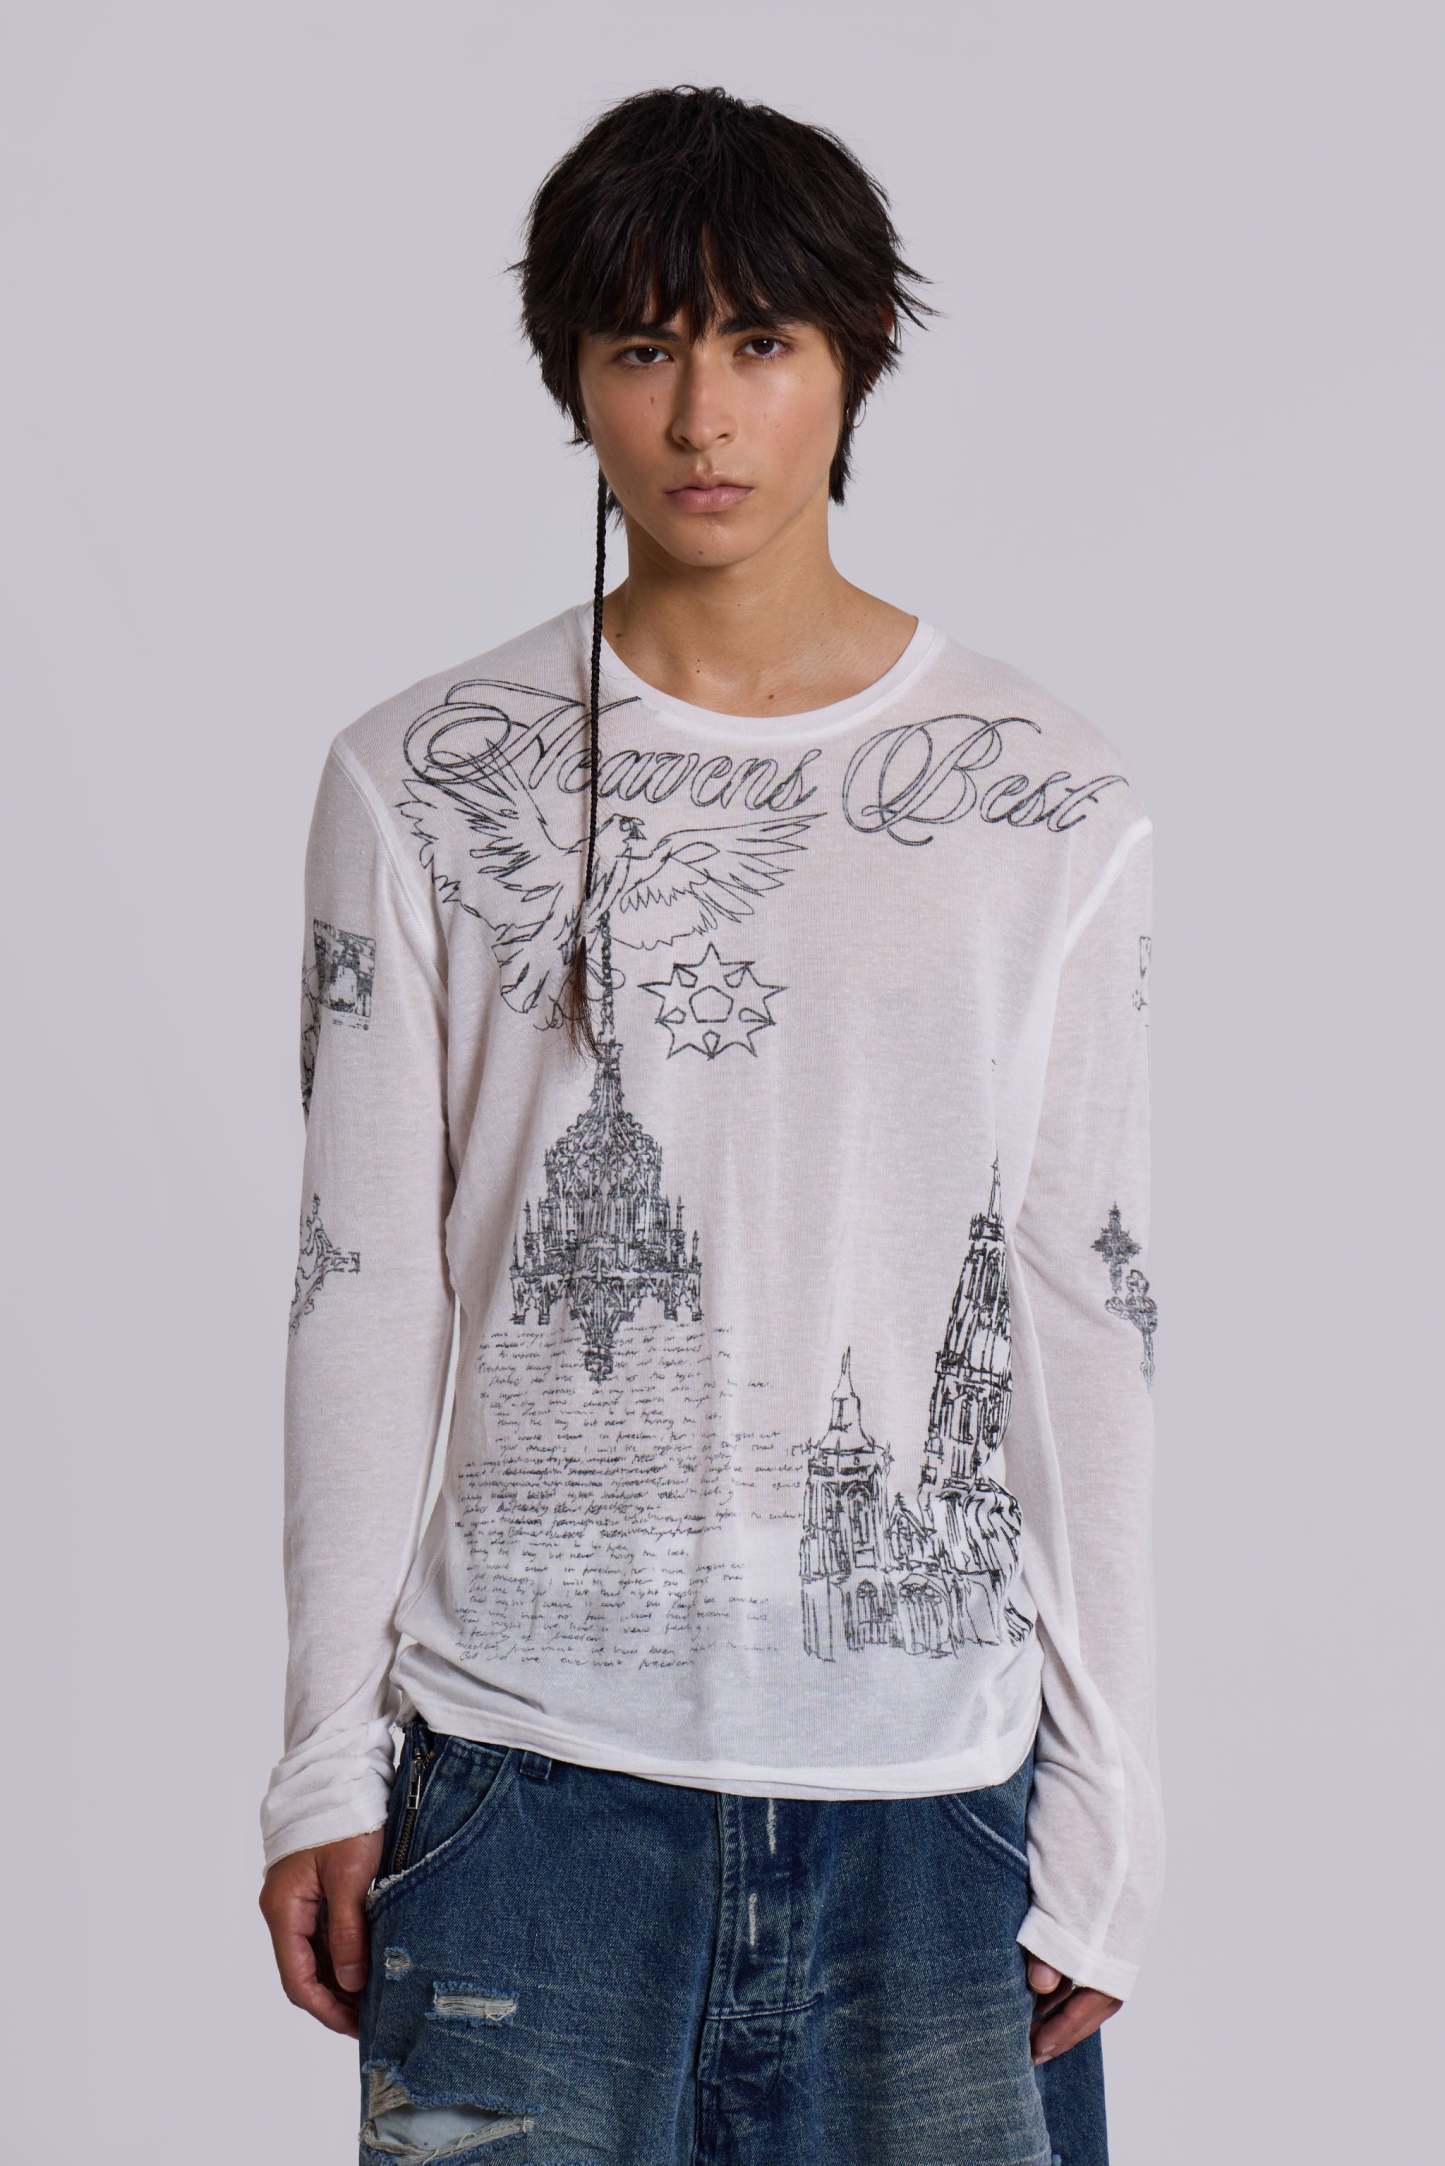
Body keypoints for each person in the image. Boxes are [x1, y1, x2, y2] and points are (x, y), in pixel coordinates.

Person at [257, 82, 1161, 2166]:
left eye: (759, 342)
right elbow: (364, 1284)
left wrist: (1114, 1790)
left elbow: (1078, 1312)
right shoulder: (419, 775)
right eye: (641, 348)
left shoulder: (1048, 798)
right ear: (571, 379)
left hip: (940, 1804)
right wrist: (321, 1755)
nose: (699, 416)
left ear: (855, 359)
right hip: (522, 1790)